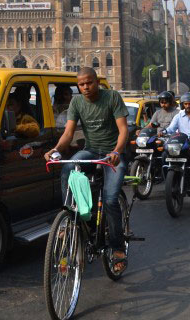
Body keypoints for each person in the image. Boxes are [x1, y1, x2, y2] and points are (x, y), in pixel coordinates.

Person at [44, 67, 129, 274]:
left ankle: (118, 248)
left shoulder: (112, 97)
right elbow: (68, 133)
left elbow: (123, 130)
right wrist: (55, 150)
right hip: (91, 151)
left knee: (109, 200)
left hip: (112, 155)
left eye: (89, 83)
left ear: (97, 82)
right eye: (81, 84)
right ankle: (70, 216)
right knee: (69, 166)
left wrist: (117, 151)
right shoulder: (77, 102)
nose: (85, 87)